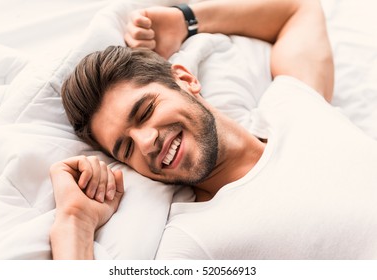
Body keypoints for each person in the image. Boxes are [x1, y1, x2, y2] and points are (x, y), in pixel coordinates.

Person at [49, 0, 377, 259]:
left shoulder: (294, 105)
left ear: (185, 79)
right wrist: (76, 223)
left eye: (146, 111)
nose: (146, 142)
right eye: (126, 149)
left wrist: (184, 20)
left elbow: (298, 10)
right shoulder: (193, 241)